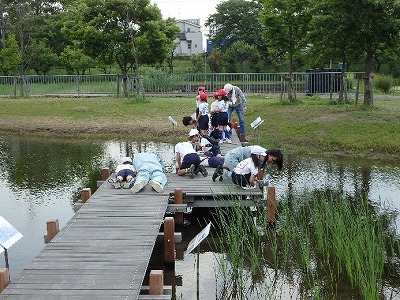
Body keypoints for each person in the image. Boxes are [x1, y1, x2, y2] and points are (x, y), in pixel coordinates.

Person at [213, 146, 283, 182]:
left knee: (243, 175)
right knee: (238, 178)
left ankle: (222, 169)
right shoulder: (262, 155)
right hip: (232, 157)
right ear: (271, 154)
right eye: (273, 159)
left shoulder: (264, 155)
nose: (272, 162)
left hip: (232, 156)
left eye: (274, 163)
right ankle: (222, 173)